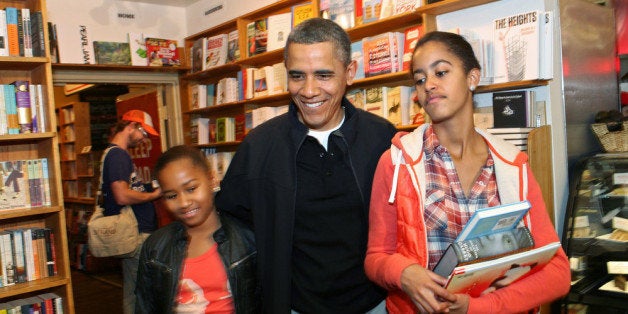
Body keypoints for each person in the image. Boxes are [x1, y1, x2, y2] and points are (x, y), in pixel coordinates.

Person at [364, 31, 571, 313]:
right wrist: (404, 273)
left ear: (472, 78)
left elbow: (558, 272)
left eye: (441, 72)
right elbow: (376, 257)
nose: (429, 85)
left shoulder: (512, 164)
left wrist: (482, 307)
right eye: (421, 79)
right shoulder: (397, 161)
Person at [215, 17, 398, 313]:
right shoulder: (259, 146)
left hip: (375, 304)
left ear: (349, 72)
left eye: (324, 75)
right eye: (297, 76)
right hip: (294, 306)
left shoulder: (382, 137)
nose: (309, 90)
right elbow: (233, 223)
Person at [135, 145, 259, 314]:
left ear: (212, 180)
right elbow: (145, 306)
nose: (184, 202)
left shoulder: (247, 239)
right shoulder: (155, 247)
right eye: (172, 196)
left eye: (191, 188)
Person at [102, 109, 162, 314]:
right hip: (135, 233)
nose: (143, 138)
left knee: (137, 287)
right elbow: (122, 195)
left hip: (135, 232)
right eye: (143, 132)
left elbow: (125, 190)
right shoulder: (118, 155)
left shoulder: (115, 154)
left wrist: (144, 188)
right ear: (131, 126)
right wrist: (153, 196)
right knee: (138, 290)